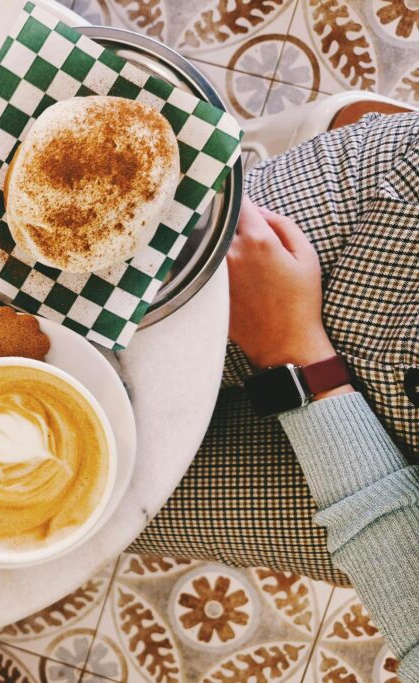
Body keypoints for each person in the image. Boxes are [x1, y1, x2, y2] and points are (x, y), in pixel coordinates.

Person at [131, 111, 419, 678]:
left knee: (102, 499)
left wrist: (294, 353)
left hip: (399, 528)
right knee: (109, 267)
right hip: (401, 240)